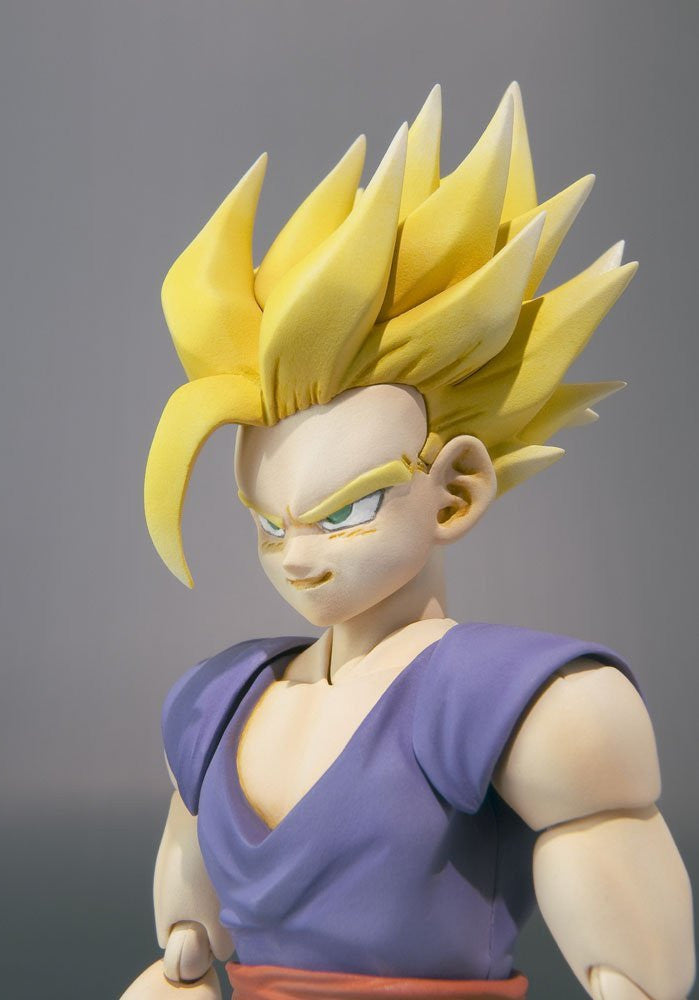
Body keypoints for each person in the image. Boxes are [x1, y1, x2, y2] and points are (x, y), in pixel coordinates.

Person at [122, 84, 695, 1000]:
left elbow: (632, 955)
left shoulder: (517, 703)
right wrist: (179, 960)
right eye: (268, 524)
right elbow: (188, 944)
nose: (295, 556)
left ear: (456, 490)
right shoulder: (216, 703)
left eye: (342, 511)